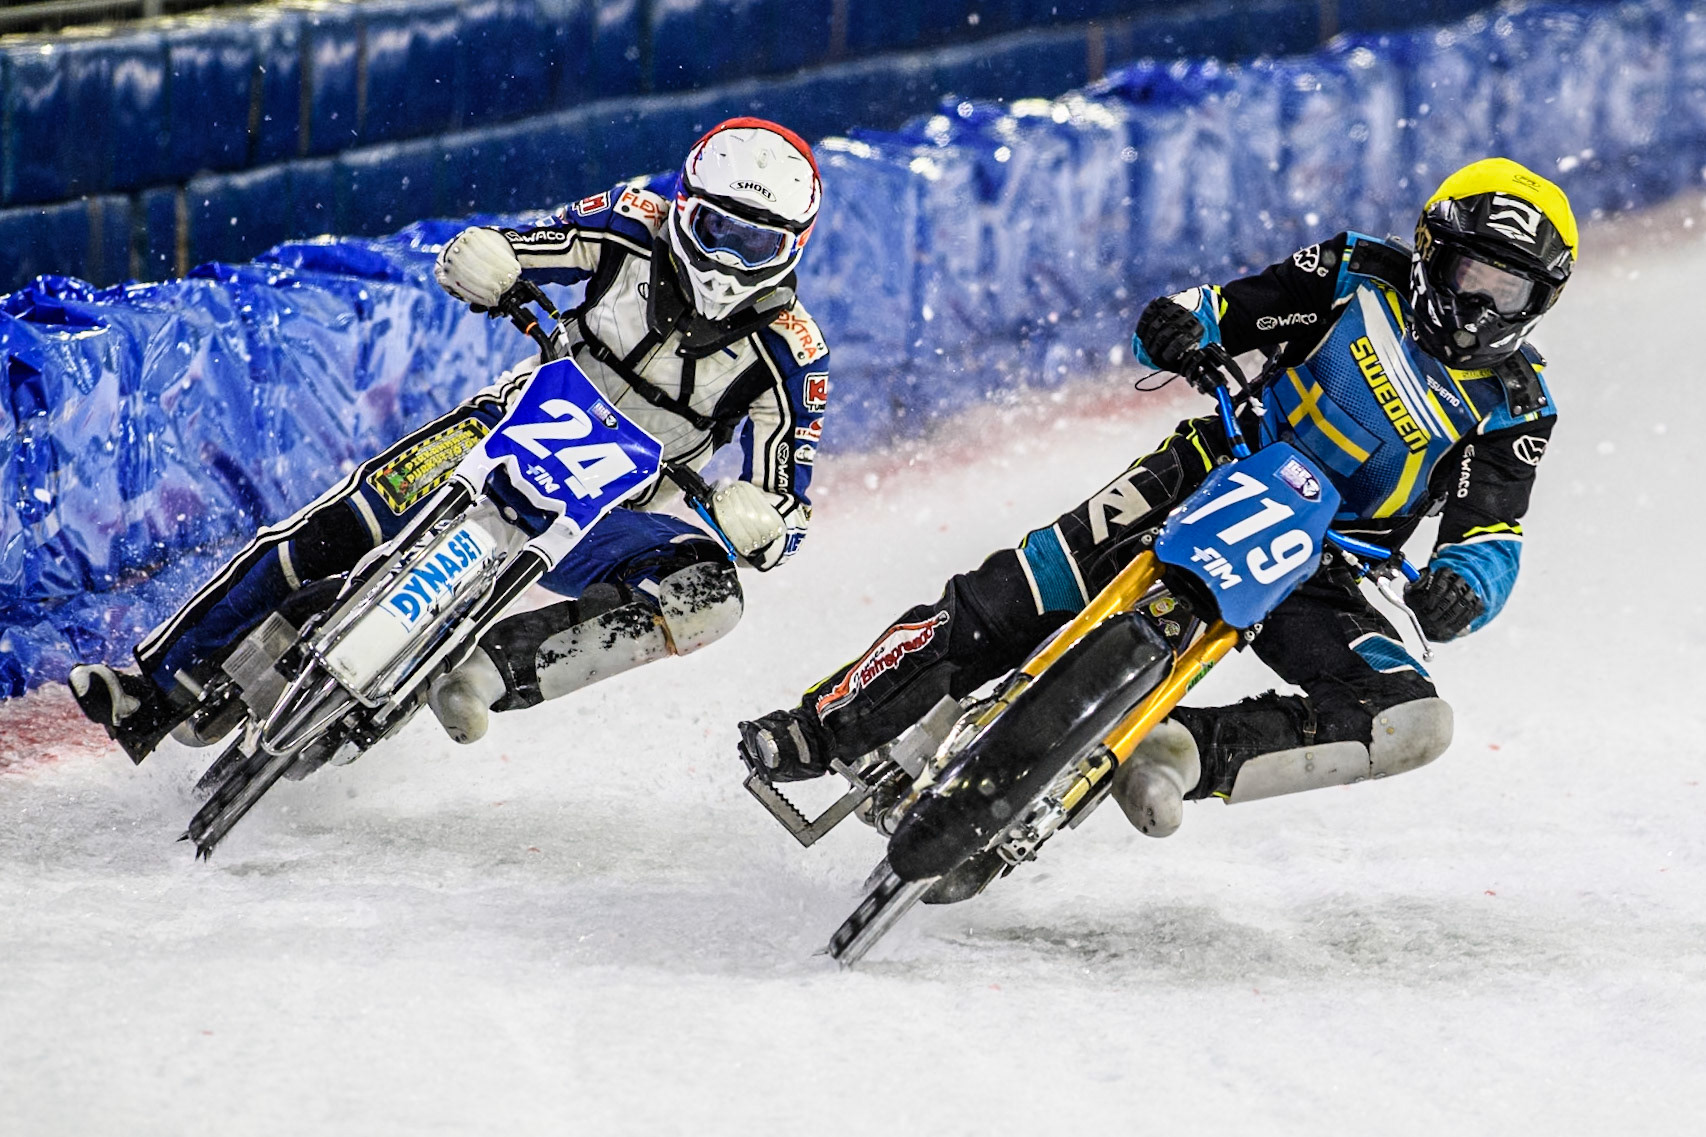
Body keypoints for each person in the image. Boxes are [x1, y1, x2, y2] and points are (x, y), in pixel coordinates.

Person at [738, 156, 1573, 838]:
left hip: (1322, 564)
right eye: (1471, 275)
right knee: (1027, 586)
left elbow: (1491, 532)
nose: (1478, 309)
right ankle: (826, 723)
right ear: (1429, 252)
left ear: (1540, 304)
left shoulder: (1517, 405)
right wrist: (1181, 327)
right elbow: (1223, 309)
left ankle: (1176, 751)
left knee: (1414, 720)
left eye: (1508, 294)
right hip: (1216, 465)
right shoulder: (1355, 271)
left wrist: (1465, 587)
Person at [71, 117, 830, 760]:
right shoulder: (632, 221)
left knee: (711, 598)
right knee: (340, 523)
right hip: (510, 423)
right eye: (717, 230)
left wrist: (761, 524)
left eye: (756, 244)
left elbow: (787, 517)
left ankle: (483, 673)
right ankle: (153, 690)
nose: (728, 260)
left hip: (616, 506)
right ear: (684, 206)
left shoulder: (794, 356)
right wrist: (484, 258)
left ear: (793, 247)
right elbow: (523, 246)